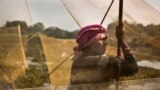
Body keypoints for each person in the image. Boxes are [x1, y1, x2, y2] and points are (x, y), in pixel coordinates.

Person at [71, 24, 138, 84]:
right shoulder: (101, 61)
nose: (105, 43)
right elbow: (133, 67)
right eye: (102, 39)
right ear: (90, 43)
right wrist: (122, 40)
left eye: (105, 39)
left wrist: (117, 62)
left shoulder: (78, 59)